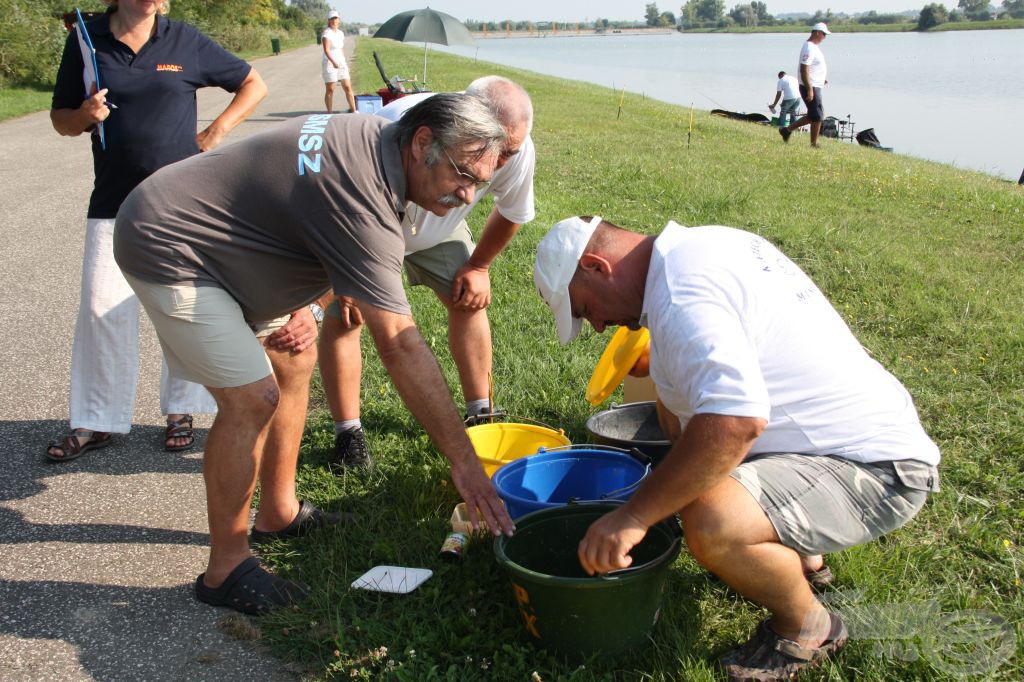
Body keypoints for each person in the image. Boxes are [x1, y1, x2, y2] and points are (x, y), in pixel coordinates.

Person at [112, 94, 516, 615]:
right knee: (251, 398)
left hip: (239, 241)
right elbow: (398, 342)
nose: (466, 196)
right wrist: (464, 461)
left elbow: (305, 209)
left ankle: (278, 512)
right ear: (422, 144)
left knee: (293, 359)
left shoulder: (376, 137)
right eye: (463, 175)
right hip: (172, 243)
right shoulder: (362, 196)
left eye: (479, 185)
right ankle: (226, 570)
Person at [533, 216, 941, 680]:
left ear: (596, 265)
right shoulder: (698, 249)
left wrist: (632, 517)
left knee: (711, 519)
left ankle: (809, 629)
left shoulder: (683, 294)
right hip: (832, 443)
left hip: (879, 469)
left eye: (587, 310)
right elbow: (688, 420)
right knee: (679, 430)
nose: (600, 325)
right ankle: (805, 559)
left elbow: (736, 423)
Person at [47, 0, 267, 461]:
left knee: (182, 308)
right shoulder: (87, 40)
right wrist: (86, 114)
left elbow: (252, 83)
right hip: (112, 201)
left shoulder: (184, 40)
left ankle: (182, 410)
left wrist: (215, 132)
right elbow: (61, 121)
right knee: (100, 309)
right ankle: (96, 419)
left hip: (180, 205)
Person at [316, 77, 535, 469]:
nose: (499, 163)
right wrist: (343, 274)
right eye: (494, 148)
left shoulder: (517, 150)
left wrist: (479, 266)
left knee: (469, 299)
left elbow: (514, 211)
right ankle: (348, 434)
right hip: (375, 219)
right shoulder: (398, 127)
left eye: (509, 152)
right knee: (345, 315)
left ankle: (480, 413)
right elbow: (338, 206)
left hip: (441, 221)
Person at [780, 22, 830, 147]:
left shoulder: (813, 46)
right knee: (818, 116)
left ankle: (786, 130)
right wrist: (809, 89)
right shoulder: (809, 47)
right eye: (824, 34)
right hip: (811, 86)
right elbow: (804, 68)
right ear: (817, 32)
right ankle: (814, 144)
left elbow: (812, 68)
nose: (825, 37)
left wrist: (822, 78)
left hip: (815, 84)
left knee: (813, 115)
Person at [322, 9, 356, 114]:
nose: (334, 20)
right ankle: (329, 113)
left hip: (341, 62)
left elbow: (340, 49)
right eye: (332, 18)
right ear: (329, 20)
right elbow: (326, 50)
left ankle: (354, 110)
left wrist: (343, 62)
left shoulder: (341, 33)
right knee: (330, 89)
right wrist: (333, 62)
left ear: (339, 20)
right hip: (329, 63)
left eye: (335, 18)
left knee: (347, 86)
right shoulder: (326, 33)